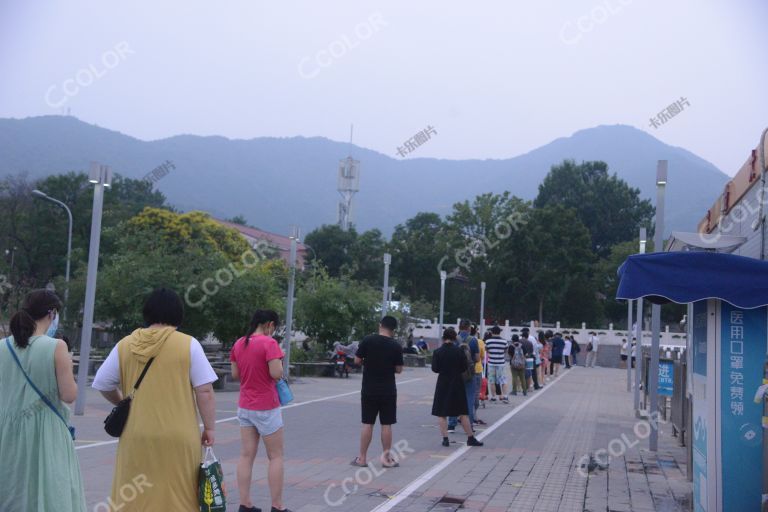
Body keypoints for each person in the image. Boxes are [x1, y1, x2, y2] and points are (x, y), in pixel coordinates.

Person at [93, 288, 218, 511]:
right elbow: (205, 390)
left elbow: (102, 383)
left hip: (136, 435)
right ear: (177, 315)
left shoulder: (125, 345)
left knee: (134, 498)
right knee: (177, 495)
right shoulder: (188, 345)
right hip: (178, 437)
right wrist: (209, 427)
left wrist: (123, 403)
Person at [0, 289, 86, 512]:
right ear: (52, 313)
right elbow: (69, 394)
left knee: (12, 491)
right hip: (45, 430)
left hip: (7, 430)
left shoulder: (2, 347)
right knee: (49, 492)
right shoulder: (56, 347)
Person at [230, 310, 291, 512]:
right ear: (270, 325)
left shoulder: (239, 343)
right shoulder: (269, 343)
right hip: (267, 407)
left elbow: (235, 374)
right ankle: (277, 506)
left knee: (246, 455)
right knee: (276, 456)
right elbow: (275, 373)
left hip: (245, 406)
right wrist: (279, 367)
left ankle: (245, 504)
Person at [353, 316, 404, 468]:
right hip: (388, 390)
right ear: (393, 330)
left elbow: (356, 360)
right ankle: (386, 459)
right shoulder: (396, 345)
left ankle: (362, 458)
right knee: (386, 424)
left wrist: (368, 362)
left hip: (369, 388)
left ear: (380, 325)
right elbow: (399, 369)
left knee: (367, 423)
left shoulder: (368, 340)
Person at [431, 328, 484, 447]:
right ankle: (470, 438)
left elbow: (435, 369)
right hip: (457, 383)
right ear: (455, 338)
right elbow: (464, 367)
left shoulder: (438, 352)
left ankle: (445, 439)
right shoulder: (459, 351)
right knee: (462, 412)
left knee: (442, 413)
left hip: (443, 383)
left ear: (443, 338)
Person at [447, 320, 479, 433]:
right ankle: (469, 425)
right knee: (469, 399)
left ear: (459, 327)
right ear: (469, 328)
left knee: (454, 398)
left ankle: (451, 425)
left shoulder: (454, 339)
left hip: (455, 373)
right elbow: (477, 358)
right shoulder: (473, 340)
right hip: (469, 373)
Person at [484, 326, 509, 403]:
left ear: (492, 332)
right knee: (503, 380)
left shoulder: (488, 341)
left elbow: (487, 351)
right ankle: (505, 396)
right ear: (499, 332)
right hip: (501, 363)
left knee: (492, 381)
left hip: (491, 363)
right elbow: (505, 351)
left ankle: (493, 397)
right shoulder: (504, 341)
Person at [471, 325, 486, 425]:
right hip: (476, 369)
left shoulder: (461, 339)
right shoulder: (479, 342)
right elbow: (482, 356)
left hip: (462, 370)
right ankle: (473, 415)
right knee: (476, 393)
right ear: (476, 331)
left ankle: (460, 415)